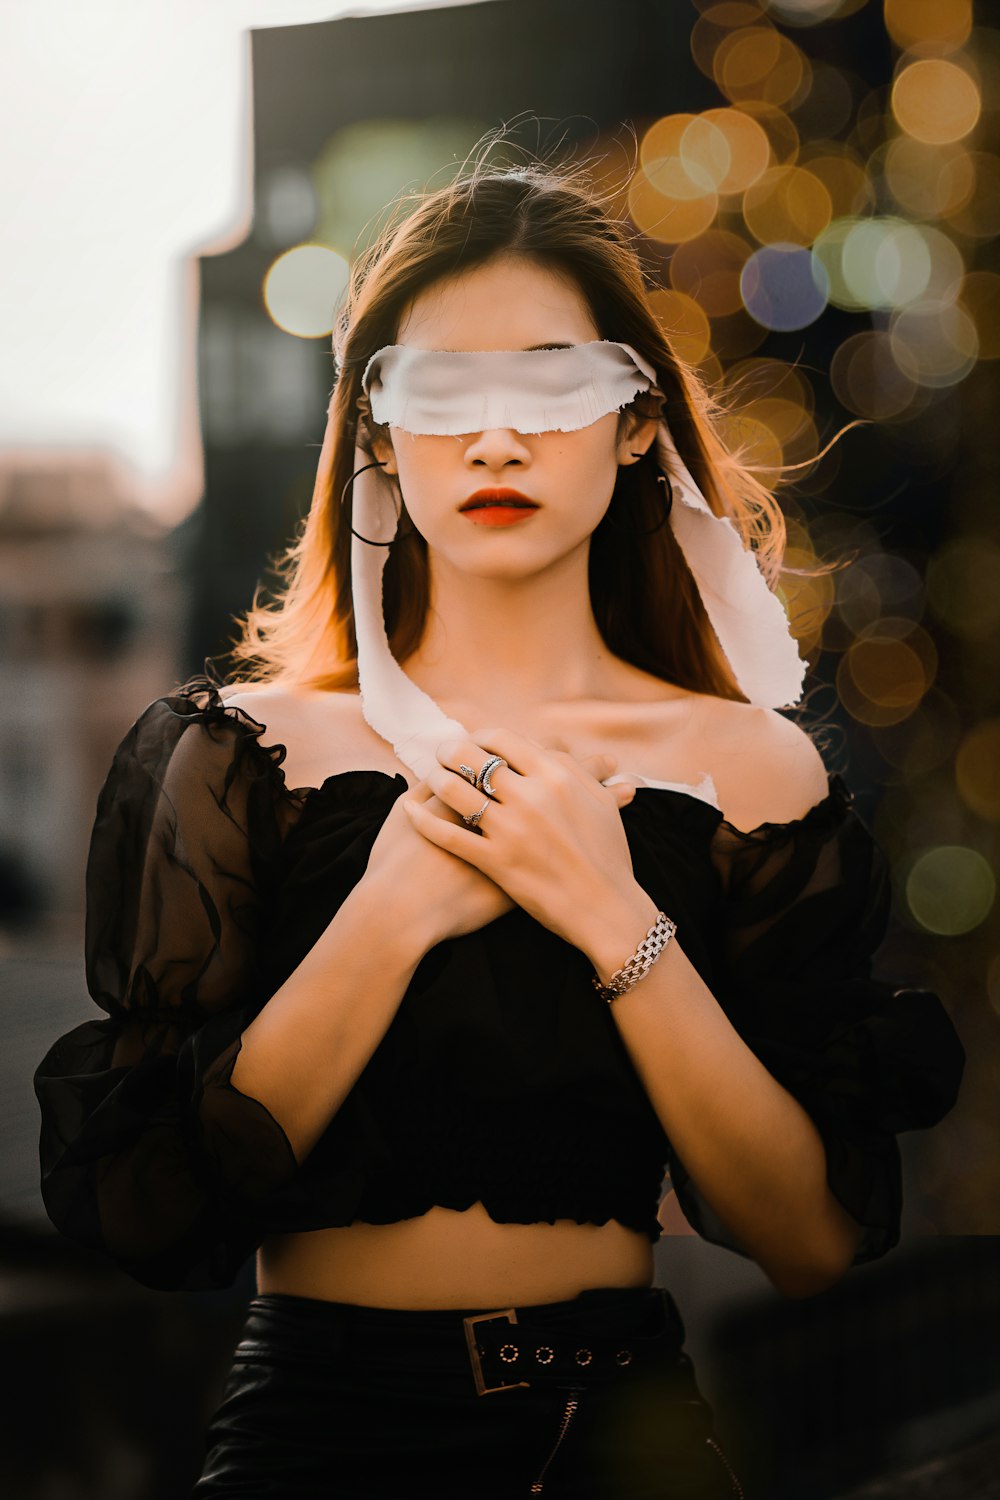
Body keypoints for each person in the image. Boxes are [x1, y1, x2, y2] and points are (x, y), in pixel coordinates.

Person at [33, 153, 965, 1500]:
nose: (497, 438)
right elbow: (160, 1203)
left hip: (624, 1442)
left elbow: (811, 1236)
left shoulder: (748, 771)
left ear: (636, 420)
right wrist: (396, 902)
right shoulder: (237, 758)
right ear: (374, 434)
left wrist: (614, 915)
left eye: (552, 384)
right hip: (315, 1439)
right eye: (442, 393)